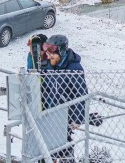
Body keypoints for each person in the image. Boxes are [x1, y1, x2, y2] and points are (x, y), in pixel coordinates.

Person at [41, 35, 89, 163]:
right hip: (49, 113)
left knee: (63, 145)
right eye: (48, 53)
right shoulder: (48, 66)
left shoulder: (73, 68)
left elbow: (81, 94)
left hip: (65, 116)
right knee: (45, 146)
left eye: (53, 54)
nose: (50, 57)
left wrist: (77, 118)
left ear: (61, 53)